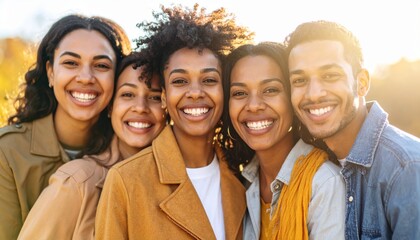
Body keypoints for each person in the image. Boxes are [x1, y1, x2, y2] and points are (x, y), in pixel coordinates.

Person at [95, 4, 253, 239]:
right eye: (180, 81)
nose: (195, 92)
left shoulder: (243, 175)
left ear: (225, 90)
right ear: (164, 98)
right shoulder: (126, 181)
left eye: (209, 79)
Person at [0, 14, 131, 239]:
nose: (85, 77)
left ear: (118, 77)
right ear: (51, 72)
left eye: (101, 65)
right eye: (71, 63)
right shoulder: (7, 152)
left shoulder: (130, 153)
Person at [285, 20, 420, 239]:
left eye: (330, 75)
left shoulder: (407, 169)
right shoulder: (311, 165)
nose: (313, 94)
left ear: (362, 82)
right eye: (300, 80)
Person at [17, 52, 165, 239]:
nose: (140, 107)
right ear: (110, 107)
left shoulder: (182, 182)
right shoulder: (77, 182)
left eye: (155, 97)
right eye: (127, 94)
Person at [221, 42, 345, 240]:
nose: (253, 106)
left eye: (270, 90)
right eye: (239, 93)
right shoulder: (243, 183)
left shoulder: (324, 183)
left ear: (292, 97)